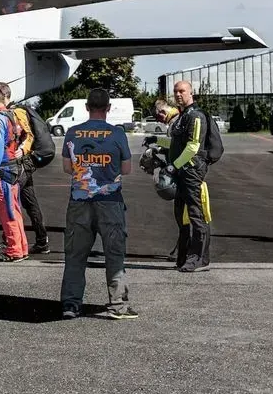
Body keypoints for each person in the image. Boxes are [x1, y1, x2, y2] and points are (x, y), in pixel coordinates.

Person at [60, 88, 136, 319]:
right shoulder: (117, 134)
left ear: (87, 107)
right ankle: (118, 305)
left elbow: (67, 168)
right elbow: (126, 169)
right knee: (114, 254)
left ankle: (71, 304)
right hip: (110, 202)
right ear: (108, 108)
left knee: (75, 254)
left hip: (79, 200)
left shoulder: (72, 132)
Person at [150, 81, 212, 272]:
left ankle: (199, 259)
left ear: (191, 93)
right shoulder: (183, 115)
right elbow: (176, 143)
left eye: (182, 91)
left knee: (196, 214)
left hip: (191, 172)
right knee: (181, 216)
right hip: (180, 172)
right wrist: (156, 140)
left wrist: (173, 166)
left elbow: (193, 147)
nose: (178, 94)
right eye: (176, 91)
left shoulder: (196, 116)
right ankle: (184, 256)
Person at [0, 82, 50, 255]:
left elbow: (28, 134)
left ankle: (10, 243)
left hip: (22, 162)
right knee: (28, 201)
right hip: (24, 162)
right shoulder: (12, 112)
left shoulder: (15, 113)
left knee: (11, 202)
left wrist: (22, 150)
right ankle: (40, 241)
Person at [0, 87, 29, 262]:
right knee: (15, 210)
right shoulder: (12, 116)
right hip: (13, 168)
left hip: (3, 170)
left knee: (7, 211)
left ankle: (14, 250)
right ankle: (21, 247)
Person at [144, 98, 181, 262]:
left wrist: (155, 141)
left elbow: (177, 146)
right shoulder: (176, 121)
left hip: (181, 172)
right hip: (180, 169)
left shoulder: (176, 122)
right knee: (182, 213)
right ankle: (182, 249)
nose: (159, 121)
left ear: (163, 112)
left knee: (183, 213)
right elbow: (173, 146)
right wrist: (158, 148)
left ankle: (184, 250)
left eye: (158, 117)